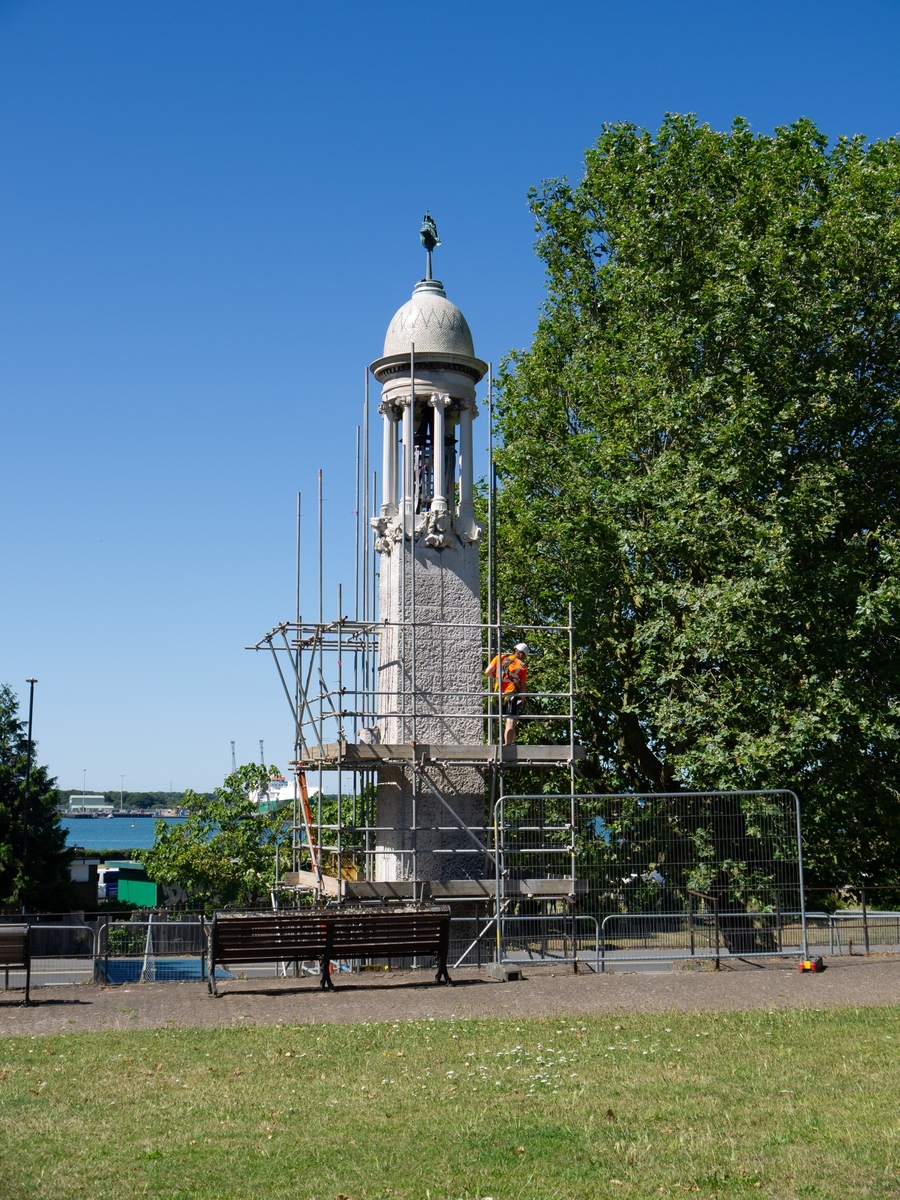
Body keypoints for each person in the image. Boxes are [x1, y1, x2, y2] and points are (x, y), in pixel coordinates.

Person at [486, 643, 530, 745]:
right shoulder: (522, 666)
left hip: (499, 694)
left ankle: (511, 742)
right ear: (521, 654)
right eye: (523, 656)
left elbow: (488, 671)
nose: (523, 658)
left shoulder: (499, 658)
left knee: (506, 720)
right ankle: (509, 745)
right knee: (510, 721)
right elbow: (523, 687)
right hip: (512, 695)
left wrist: (497, 678)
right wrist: (522, 698)